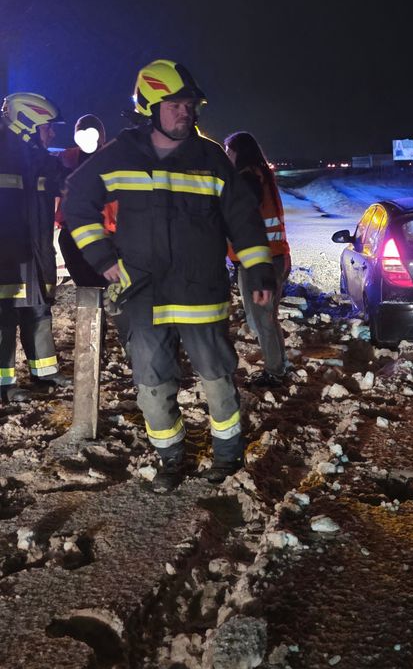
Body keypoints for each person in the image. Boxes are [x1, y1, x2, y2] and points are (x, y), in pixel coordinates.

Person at [62, 60, 275, 492]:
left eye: (189, 105)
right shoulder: (121, 154)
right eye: (175, 104)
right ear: (149, 107)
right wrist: (102, 257)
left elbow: (243, 221)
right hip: (142, 296)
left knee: (218, 382)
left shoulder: (210, 157)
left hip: (202, 294)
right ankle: (171, 461)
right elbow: (76, 204)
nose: (186, 112)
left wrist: (261, 270)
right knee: (153, 388)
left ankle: (228, 456)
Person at [0, 92, 71, 403]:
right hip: (5, 256)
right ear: (26, 124)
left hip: (35, 252)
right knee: (4, 317)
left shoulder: (39, 160)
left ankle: (44, 372)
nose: (52, 133)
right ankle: (3, 384)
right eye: (47, 127)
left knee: (38, 310)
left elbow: (70, 180)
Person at [223, 131, 291, 387]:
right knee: (267, 318)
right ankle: (280, 365)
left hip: (259, 261)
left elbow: (242, 218)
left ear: (239, 152)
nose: (226, 154)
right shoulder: (261, 174)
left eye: (229, 150)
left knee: (260, 319)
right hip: (276, 256)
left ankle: (274, 372)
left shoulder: (247, 178)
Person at [56, 114, 117, 287]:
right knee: (105, 286)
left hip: (74, 232)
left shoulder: (64, 158)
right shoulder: (112, 159)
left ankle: (92, 311)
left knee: (89, 287)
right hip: (102, 232)